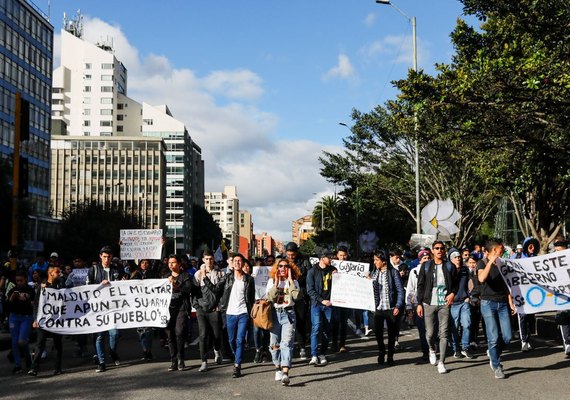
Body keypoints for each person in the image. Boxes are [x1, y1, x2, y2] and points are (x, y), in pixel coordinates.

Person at [416, 241, 457, 374]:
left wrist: (452, 293)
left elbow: (456, 284)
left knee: (444, 333)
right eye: (436, 248)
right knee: (429, 334)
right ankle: (432, 349)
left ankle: (442, 362)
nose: (439, 250)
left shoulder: (450, 266)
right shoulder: (426, 266)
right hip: (429, 303)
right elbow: (420, 286)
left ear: (444, 251)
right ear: (432, 251)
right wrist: (419, 304)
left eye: (441, 248)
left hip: (444, 303)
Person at [478, 238, 515, 379]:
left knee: (507, 336)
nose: (504, 251)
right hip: (488, 303)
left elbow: (506, 285)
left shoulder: (502, 263)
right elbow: (481, 278)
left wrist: (511, 303)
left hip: (503, 303)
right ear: (494, 250)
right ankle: (496, 365)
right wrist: (490, 262)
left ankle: (493, 353)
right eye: (501, 249)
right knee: (493, 337)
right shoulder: (482, 263)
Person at [217, 253, 255, 378]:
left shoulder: (249, 280)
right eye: (235, 261)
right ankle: (236, 356)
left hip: (243, 313)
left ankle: (237, 365)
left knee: (240, 340)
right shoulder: (226, 278)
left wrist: (252, 310)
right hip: (230, 313)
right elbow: (216, 290)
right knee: (231, 340)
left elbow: (251, 297)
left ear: (243, 264)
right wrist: (204, 278)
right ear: (232, 264)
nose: (238, 263)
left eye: (240, 261)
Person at [88, 246, 123, 373]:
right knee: (99, 336)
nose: (107, 259)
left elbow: (124, 285)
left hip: (113, 308)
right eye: (104, 256)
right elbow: (87, 289)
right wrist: (99, 286)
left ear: (112, 257)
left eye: (109, 257)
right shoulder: (94, 270)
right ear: (100, 256)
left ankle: (112, 352)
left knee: (114, 333)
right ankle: (102, 362)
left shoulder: (117, 269)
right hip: (99, 309)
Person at [266, 258, 301, 386]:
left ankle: (285, 372)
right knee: (274, 344)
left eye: (286, 266)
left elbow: (296, 297)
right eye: (280, 266)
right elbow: (270, 298)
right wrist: (276, 284)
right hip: (275, 314)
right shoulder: (271, 282)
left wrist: (291, 280)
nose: (283, 268)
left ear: (290, 269)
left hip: (288, 314)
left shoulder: (294, 282)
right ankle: (277, 367)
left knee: (286, 343)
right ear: (277, 267)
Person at [28, 264, 65, 376]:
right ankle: (34, 368)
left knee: (58, 344)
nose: (60, 274)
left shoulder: (60, 285)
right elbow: (36, 304)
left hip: (57, 321)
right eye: (57, 272)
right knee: (40, 344)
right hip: (43, 320)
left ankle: (57, 367)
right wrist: (35, 319)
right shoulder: (42, 286)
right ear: (51, 273)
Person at [370, 250, 404, 366]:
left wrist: (398, 306)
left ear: (383, 261)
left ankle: (390, 356)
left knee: (391, 333)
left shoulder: (393, 272)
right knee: (378, 333)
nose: (374, 262)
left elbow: (400, 290)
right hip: (378, 308)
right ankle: (381, 351)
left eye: (376, 260)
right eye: (374, 260)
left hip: (391, 307)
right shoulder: (374, 272)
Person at [193, 249, 225, 372]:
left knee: (217, 335)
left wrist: (220, 306)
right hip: (202, 309)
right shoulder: (197, 274)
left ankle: (217, 350)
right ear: (203, 259)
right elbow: (194, 292)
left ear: (214, 259)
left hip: (215, 309)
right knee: (203, 335)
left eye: (211, 258)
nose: (209, 261)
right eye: (206, 259)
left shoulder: (220, 273)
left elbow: (220, 291)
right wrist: (196, 306)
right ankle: (204, 361)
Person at [306, 249, 336, 366]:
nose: (331, 259)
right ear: (322, 257)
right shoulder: (312, 271)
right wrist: (321, 300)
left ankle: (322, 354)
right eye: (329, 257)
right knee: (316, 327)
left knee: (326, 330)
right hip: (317, 305)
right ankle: (314, 355)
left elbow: (340, 286)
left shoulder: (333, 270)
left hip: (329, 305)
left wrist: (337, 276)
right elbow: (310, 290)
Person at [165, 254, 192, 371]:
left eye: (174, 262)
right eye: (169, 263)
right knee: (170, 334)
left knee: (179, 332)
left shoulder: (185, 276)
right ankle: (173, 360)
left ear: (179, 264)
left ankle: (181, 357)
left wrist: (176, 284)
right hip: (168, 309)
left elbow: (188, 289)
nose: (171, 265)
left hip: (181, 307)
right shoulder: (165, 277)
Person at [285, 242, 312, 360]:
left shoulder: (305, 261)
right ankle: (287, 348)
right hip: (286, 296)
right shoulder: (282, 262)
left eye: (293, 254)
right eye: (289, 254)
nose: (291, 257)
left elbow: (310, 277)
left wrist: (297, 281)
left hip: (301, 296)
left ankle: (302, 347)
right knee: (287, 322)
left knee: (300, 322)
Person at [6, 271, 35, 374]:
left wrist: (26, 297)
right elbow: (8, 304)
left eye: (21, 280)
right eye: (17, 280)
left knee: (21, 341)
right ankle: (17, 364)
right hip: (14, 317)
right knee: (14, 341)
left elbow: (33, 302)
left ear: (25, 279)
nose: (19, 282)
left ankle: (27, 356)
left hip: (26, 318)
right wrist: (12, 297)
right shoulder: (12, 290)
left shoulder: (30, 290)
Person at [405, 249, 431, 361]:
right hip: (418, 304)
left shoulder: (434, 270)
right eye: (424, 258)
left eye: (428, 258)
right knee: (422, 329)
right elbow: (410, 289)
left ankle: (432, 348)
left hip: (431, 303)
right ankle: (426, 350)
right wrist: (409, 307)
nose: (427, 260)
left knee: (431, 328)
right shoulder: (414, 272)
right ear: (420, 260)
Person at [448, 249, 474, 359]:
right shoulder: (447, 269)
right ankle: (456, 348)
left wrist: (469, 296)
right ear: (450, 259)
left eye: (459, 257)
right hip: (452, 303)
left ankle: (465, 347)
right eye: (455, 257)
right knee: (454, 327)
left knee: (467, 324)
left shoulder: (465, 269)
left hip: (464, 301)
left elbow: (470, 283)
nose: (458, 259)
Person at [131, 259, 155, 361]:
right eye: (142, 263)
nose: (144, 265)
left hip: (149, 305)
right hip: (138, 306)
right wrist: (123, 246)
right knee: (141, 331)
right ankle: (145, 350)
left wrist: (162, 246)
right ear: (139, 264)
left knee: (148, 331)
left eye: (146, 263)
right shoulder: (135, 274)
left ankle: (148, 350)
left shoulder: (153, 273)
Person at [518, 236, 540, 351]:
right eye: (530, 246)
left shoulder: (537, 259)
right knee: (523, 316)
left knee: (531, 318)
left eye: (534, 246)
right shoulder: (518, 259)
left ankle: (528, 338)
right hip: (521, 294)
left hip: (533, 294)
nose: (532, 248)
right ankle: (524, 341)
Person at [551, 235, 570, 357]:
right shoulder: (551, 261)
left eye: (558, 249)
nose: (556, 252)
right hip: (561, 295)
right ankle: (568, 343)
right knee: (564, 318)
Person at [331, 245, 350, 353]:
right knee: (335, 322)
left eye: (344, 255)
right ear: (337, 255)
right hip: (336, 298)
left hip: (347, 298)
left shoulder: (351, 266)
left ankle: (342, 344)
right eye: (340, 255)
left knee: (344, 322)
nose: (342, 257)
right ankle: (334, 343)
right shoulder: (332, 266)